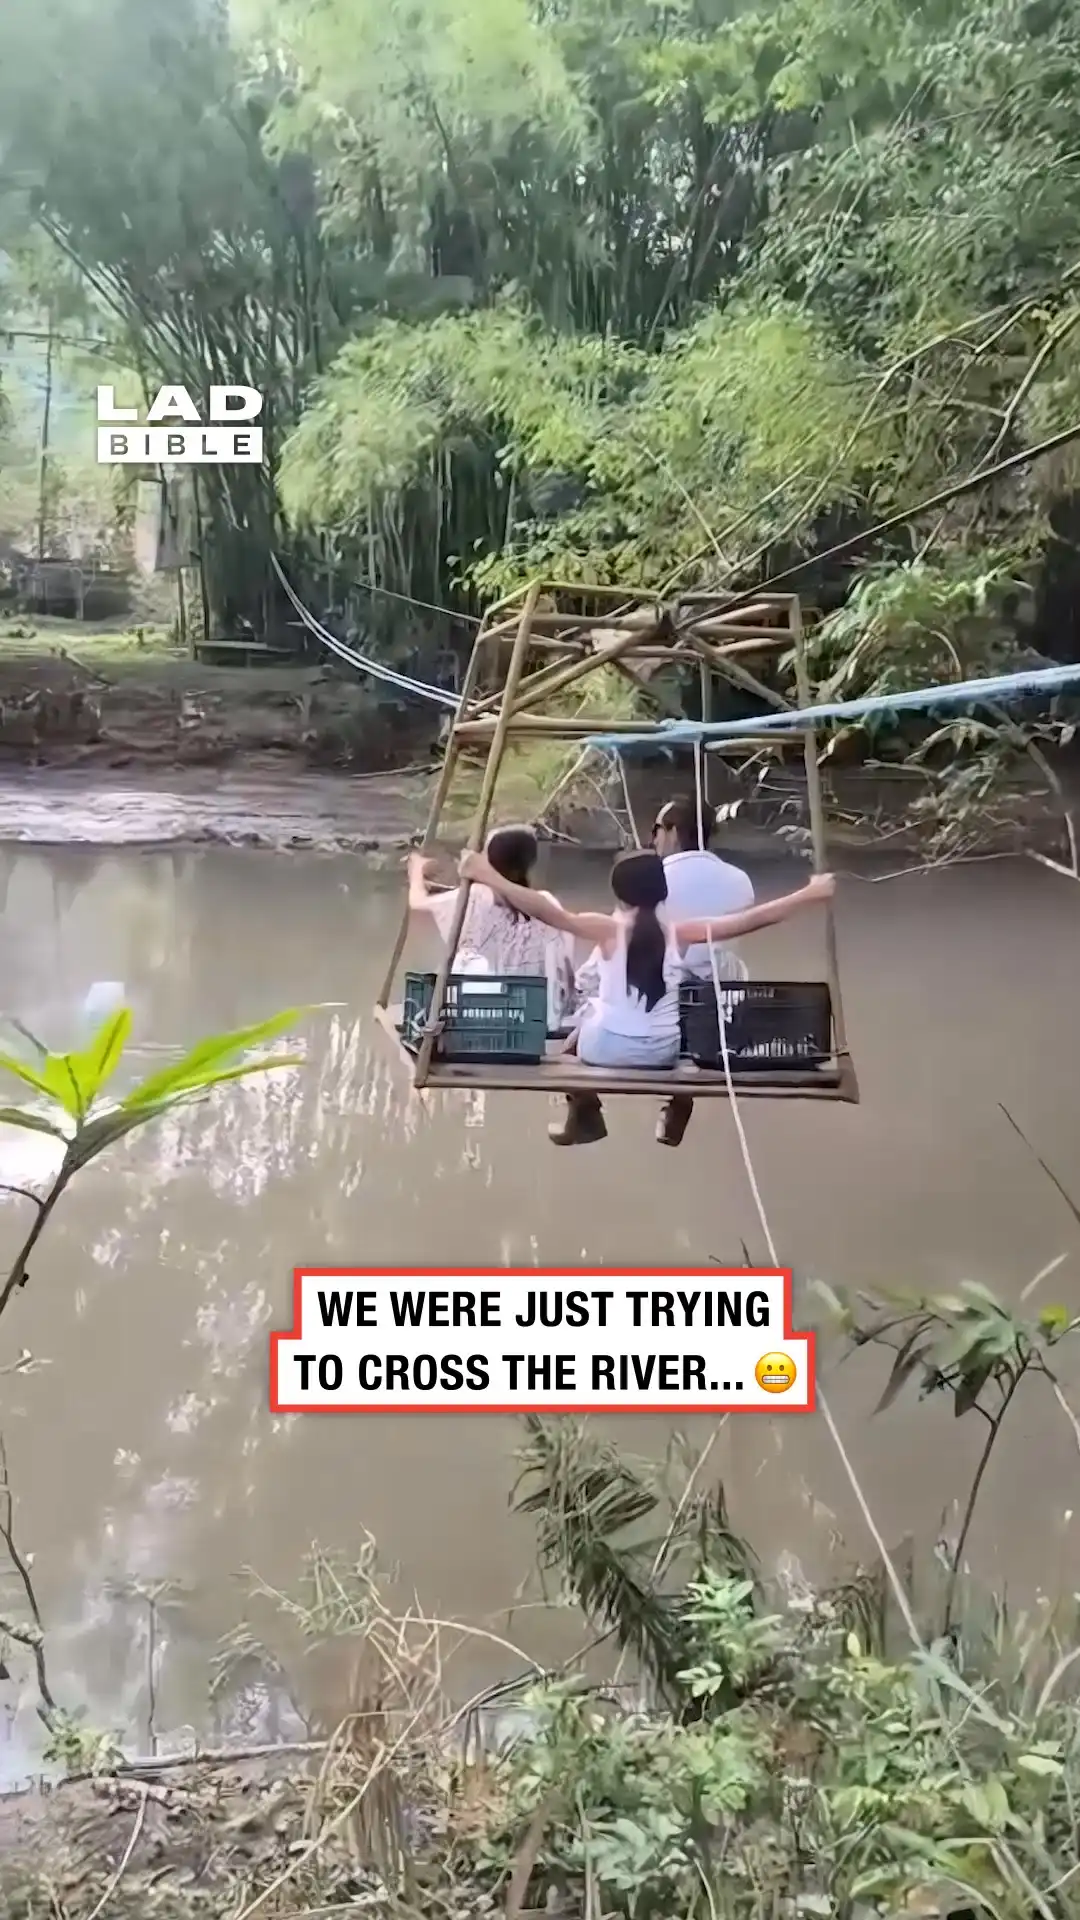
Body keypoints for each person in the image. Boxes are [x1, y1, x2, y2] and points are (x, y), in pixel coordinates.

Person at [457, 845, 836, 1145]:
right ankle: (678, 1104)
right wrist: (811, 893)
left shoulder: (607, 930)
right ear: (661, 892)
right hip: (662, 1052)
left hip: (605, 1048)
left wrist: (487, 875)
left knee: (579, 1031)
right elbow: (751, 920)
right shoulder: (680, 933)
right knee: (684, 1022)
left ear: (618, 894)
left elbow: (543, 910)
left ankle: (584, 1111)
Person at [573, 794, 756, 1143]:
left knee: (595, 1005)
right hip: (715, 1012)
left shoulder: (653, 880)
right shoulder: (740, 880)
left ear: (672, 831)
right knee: (722, 971)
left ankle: (583, 1107)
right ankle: (679, 1100)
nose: (653, 838)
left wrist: (584, 988)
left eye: (656, 829)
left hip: (666, 1007)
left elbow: (614, 952)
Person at [407, 827, 575, 1029]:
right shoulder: (546, 902)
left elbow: (418, 902)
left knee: (464, 960)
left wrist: (416, 870)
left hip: (485, 1012)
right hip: (534, 1012)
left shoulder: (475, 897)